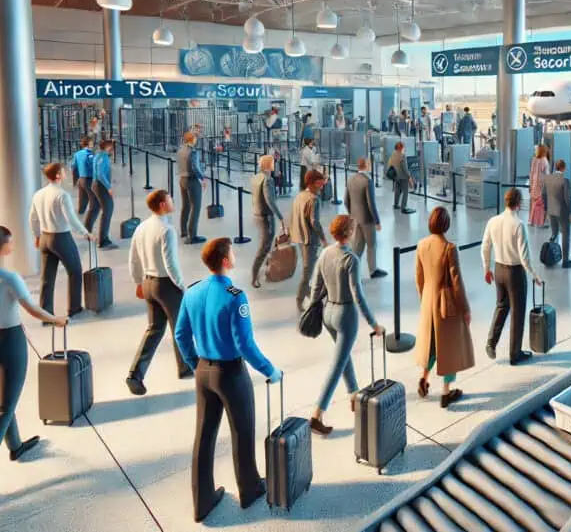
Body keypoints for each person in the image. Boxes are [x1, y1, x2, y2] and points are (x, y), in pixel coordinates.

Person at [174, 238, 280, 522]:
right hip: (231, 374)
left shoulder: (192, 292)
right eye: (231, 252)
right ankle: (249, 489)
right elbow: (245, 345)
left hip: (203, 372)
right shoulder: (235, 296)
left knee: (204, 436)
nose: (235, 255)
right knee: (242, 432)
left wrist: (194, 364)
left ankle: (203, 501)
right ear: (224, 260)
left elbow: (180, 334)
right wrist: (270, 370)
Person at [0, 226, 67, 508]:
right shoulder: (9, 277)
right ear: (2, 247)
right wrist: (57, 319)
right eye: (10, 243)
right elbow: (33, 310)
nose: (13, 247)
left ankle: (16, 446)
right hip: (8, 344)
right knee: (4, 409)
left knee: (3, 401)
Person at [305, 215, 383, 435]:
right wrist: (374, 324)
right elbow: (358, 295)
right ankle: (317, 414)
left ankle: (354, 395)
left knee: (343, 355)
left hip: (327, 312)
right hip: (345, 314)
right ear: (349, 234)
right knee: (337, 364)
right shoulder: (351, 259)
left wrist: (313, 308)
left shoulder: (325, 253)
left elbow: (315, 285)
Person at [126, 190, 193, 396]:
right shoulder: (167, 230)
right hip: (166, 285)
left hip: (148, 282)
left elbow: (133, 258)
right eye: (170, 199)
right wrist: (182, 285)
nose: (173, 202)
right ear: (163, 204)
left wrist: (138, 281)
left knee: (154, 329)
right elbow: (170, 264)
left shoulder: (141, 227)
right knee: (180, 327)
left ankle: (135, 373)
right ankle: (186, 367)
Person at [415, 207, 474, 408]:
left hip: (428, 301)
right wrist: (465, 308)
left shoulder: (421, 245)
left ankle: (424, 378)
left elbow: (419, 278)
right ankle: (446, 393)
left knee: (431, 344)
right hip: (445, 303)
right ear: (446, 224)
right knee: (449, 347)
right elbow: (456, 281)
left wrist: (424, 299)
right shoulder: (449, 248)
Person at [481, 188, 542, 365]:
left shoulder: (493, 221)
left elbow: (485, 246)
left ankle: (491, 342)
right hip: (515, 273)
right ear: (519, 203)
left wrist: (487, 268)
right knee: (517, 312)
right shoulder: (518, 225)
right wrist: (535, 275)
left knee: (501, 306)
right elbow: (524, 257)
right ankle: (515, 354)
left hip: (498, 269)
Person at [29, 163, 94, 318]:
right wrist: (86, 233)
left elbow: (33, 218)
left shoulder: (38, 194)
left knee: (47, 277)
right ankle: (74, 308)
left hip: (45, 237)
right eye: (63, 172)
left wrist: (37, 236)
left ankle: (46, 313)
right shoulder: (62, 195)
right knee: (75, 271)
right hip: (60, 238)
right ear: (58, 175)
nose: (66, 173)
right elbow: (70, 219)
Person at [291, 170, 328, 312]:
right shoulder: (314, 199)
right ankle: (300, 300)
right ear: (313, 182)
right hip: (310, 240)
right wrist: (323, 238)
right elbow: (314, 222)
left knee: (310, 266)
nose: (323, 183)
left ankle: (310, 292)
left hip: (300, 237)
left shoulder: (300, 196)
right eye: (320, 181)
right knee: (307, 273)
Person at [345, 157, 386, 279]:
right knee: (371, 245)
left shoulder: (351, 179)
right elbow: (371, 204)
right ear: (367, 165)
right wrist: (377, 221)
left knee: (357, 246)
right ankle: (373, 270)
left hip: (355, 219)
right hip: (367, 220)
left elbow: (346, 201)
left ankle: (351, 270)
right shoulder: (368, 181)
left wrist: (352, 215)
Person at [249, 155, 285, 289]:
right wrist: (280, 216)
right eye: (272, 162)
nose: (274, 164)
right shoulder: (268, 180)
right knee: (264, 247)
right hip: (266, 217)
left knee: (266, 246)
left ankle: (265, 270)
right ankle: (254, 277)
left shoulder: (256, 177)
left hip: (257, 214)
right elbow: (270, 200)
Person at [545, 159, 571, 267]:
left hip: (551, 210)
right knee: (565, 234)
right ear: (563, 168)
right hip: (562, 211)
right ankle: (565, 260)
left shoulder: (548, 178)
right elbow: (568, 199)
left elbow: (543, 194)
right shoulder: (565, 180)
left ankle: (551, 256)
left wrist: (546, 208)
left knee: (554, 233)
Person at [177, 132, 207, 245]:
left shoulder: (180, 150)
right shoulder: (193, 151)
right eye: (195, 138)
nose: (196, 140)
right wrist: (202, 178)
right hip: (192, 180)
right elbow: (195, 167)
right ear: (191, 139)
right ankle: (192, 235)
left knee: (186, 206)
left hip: (182, 179)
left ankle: (184, 231)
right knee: (196, 207)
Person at [91, 139, 117, 250]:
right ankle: (103, 240)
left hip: (97, 184)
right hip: (100, 186)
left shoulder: (99, 155)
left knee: (103, 210)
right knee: (108, 210)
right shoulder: (103, 157)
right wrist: (109, 187)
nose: (112, 149)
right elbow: (100, 174)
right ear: (107, 147)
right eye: (111, 147)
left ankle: (103, 237)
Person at [387, 141, 415, 215]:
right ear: (401, 148)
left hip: (395, 176)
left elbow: (389, 165)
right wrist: (409, 177)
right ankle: (404, 207)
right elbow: (405, 168)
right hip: (403, 176)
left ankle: (396, 205)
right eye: (403, 147)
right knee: (405, 191)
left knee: (397, 191)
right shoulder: (402, 155)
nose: (404, 148)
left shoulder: (392, 155)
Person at [72, 137, 95, 217]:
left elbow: (74, 167)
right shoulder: (90, 154)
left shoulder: (77, 154)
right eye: (92, 143)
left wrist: (75, 180)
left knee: (82, 199)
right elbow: (92, 166)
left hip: (80, 179)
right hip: (89, 179)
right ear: (89, 144)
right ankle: (92, 216)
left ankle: (80, 214)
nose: (93, 144)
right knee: (93, 199)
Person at [528, 145, 550, 227]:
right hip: (542, 185)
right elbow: (547, 174)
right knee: (543, 204)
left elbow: (531, 173)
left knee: (534, 203)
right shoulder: (544, 161)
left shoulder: (534, 160)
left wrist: (530, 185)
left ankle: (532, 221)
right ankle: (542, 222)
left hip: (534, 184)